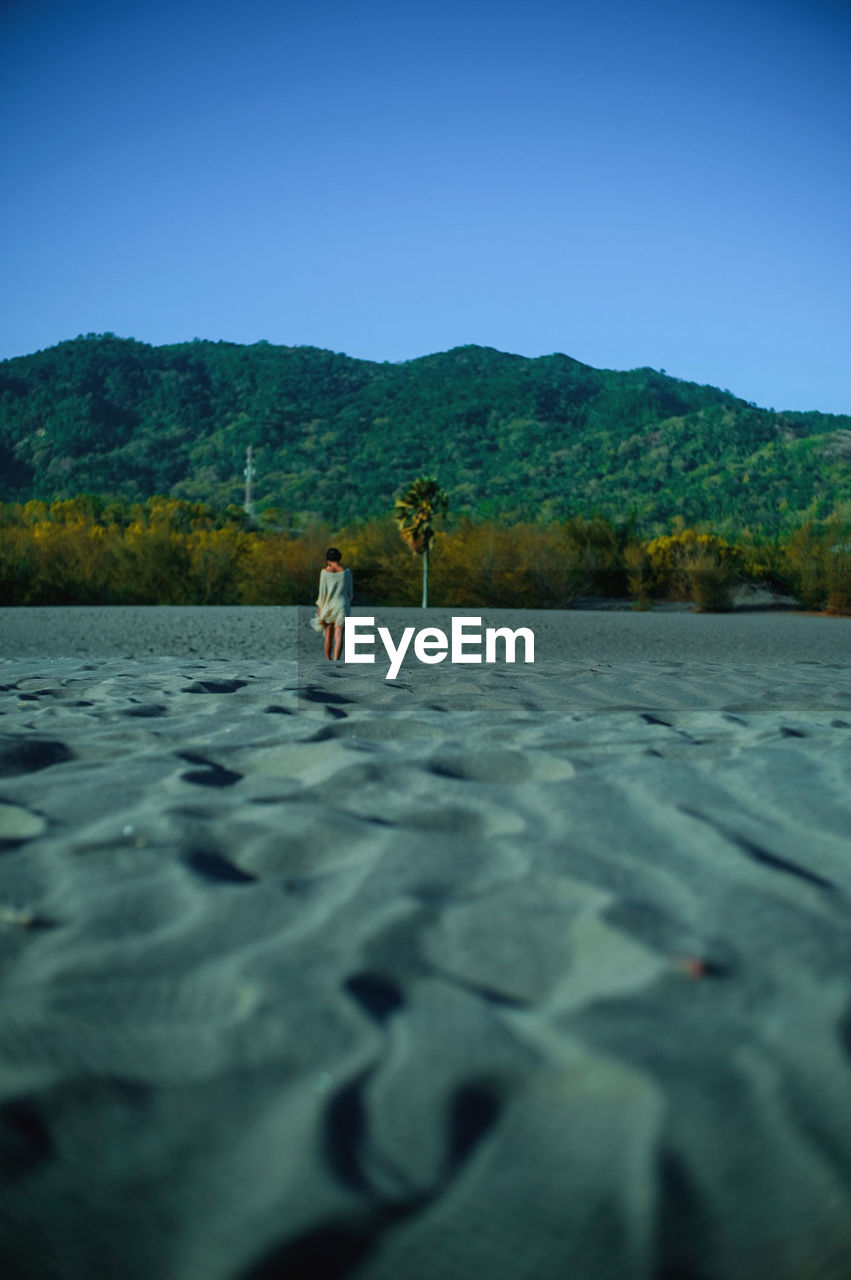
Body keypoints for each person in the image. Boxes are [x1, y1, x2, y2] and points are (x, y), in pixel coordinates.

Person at [316, 547, 353, 661]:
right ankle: (336, 660)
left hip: (328, 604)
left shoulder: (324, 573)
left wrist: (320, 607)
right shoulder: (346, 573)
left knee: (328, 632)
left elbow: (322, 592)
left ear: (328, 559)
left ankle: (328, 659)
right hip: (342, 604)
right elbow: (350, 593)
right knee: (339, 633)